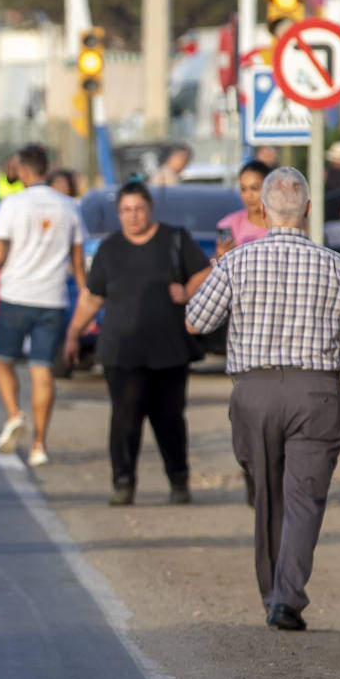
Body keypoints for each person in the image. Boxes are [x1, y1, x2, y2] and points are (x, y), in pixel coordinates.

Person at [185, 167, 340, 632]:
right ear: (307, 210)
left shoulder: (236, 262)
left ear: (263, 211)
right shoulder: (338, 266)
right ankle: (287, 598)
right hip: (317, 394)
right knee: (304, 498)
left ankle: (273, 594)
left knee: (268, 494)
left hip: (254, 392)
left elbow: (196, 321)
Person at [64, 181, 211, 505]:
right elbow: (93, 296)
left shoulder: (175, 239)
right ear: (119, 214)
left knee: (169, 419)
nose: (133, 216)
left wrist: (187, 291)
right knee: (125, 419)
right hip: (121, 350)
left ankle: (178, 480)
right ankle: (123, 482)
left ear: (150, 209)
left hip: (169, 349)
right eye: (126, 211)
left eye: (139, 209)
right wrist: (74, 333)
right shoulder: (109, 248)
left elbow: (205, 272)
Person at [0, 143, 87, 467]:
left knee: (3, 360)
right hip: (52, 298)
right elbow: (77, 261)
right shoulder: (69, 206)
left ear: (23, 170)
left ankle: (14, 414)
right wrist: (85, 294)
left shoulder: (12, 204)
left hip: (16, 295)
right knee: (42, 369)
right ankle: (39, 445)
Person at [216, 160, 273, 255]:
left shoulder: (283, 224)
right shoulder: (227, 225)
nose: (249, 196)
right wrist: (220, 256)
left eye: (255, 188)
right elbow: (219, 263)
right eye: (243, 189)